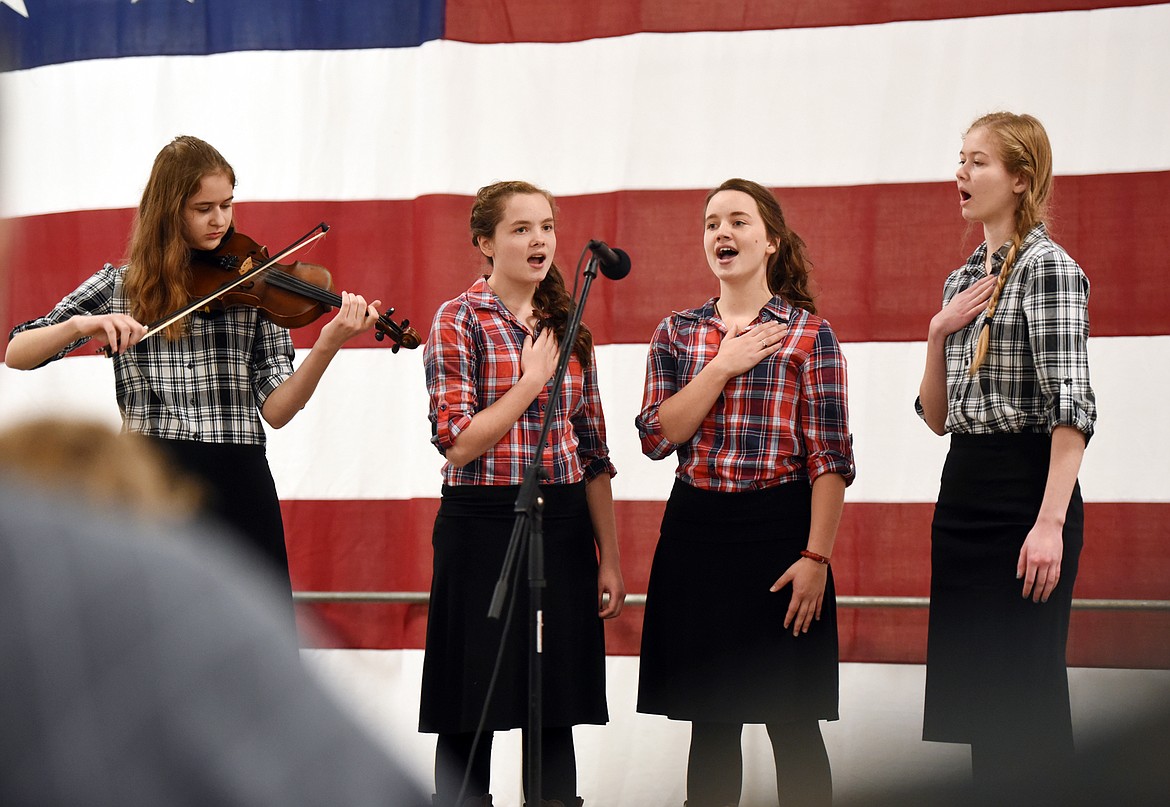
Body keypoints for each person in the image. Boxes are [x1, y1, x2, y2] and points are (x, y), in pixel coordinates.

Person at [4, 135, 381, 609]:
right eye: (203, 208)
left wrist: (327, 344)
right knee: (151, 628)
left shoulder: (256, 285)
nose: (220, 220)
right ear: (169, 210)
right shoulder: (120, 284)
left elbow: (279, 410)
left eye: (226, 204)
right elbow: (17, 351)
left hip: (239, 474)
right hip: (151, 475)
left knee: (250, 630)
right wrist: (83, 324)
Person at [635, 178, 855, 807]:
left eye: (737, 221)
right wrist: (723, 365)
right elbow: (655, 437)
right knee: (711, 721)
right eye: (711, 224)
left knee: (792, 720)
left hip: (781, 533)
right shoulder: (677, 333)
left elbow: (831, 459)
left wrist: (816, 558)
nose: (722, 233)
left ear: (771, 241)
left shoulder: (810, 334)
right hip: (697, 535)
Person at [420, 180, 626, 807]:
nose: (540, 240)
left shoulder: (568, 325)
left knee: (552, 702)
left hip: (560, 524)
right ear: (485, 242)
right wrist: (531, 382)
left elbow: (592, 452)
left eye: (546, 227)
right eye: (520, 229)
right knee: (471, 703)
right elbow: (456, 442)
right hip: (482, 522)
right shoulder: (458, 320)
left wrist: (609, 557)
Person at [915, 111, 1096, 795]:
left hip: (1026, 492)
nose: (960, 172)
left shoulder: (1049, 270)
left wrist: (1048, 522)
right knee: (979, 707)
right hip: (964, 489)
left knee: (1026, 703)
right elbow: (936, 419)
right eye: (959, 157)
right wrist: (937, 332)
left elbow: (1072, 409)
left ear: (1020, 179)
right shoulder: (961, 280)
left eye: (978, 161)